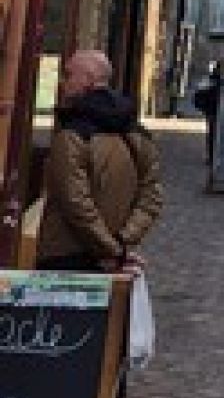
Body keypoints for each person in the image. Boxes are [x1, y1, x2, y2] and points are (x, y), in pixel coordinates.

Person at [37, 49, 163, 271]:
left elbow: (75, 203)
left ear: (88, 80)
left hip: (65, 256)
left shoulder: (72, 135)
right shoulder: (137, 134)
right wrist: (122, 242)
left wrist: (113, 249)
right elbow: (151, 197)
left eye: (69, 75)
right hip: (110, 256)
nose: (62, 82)